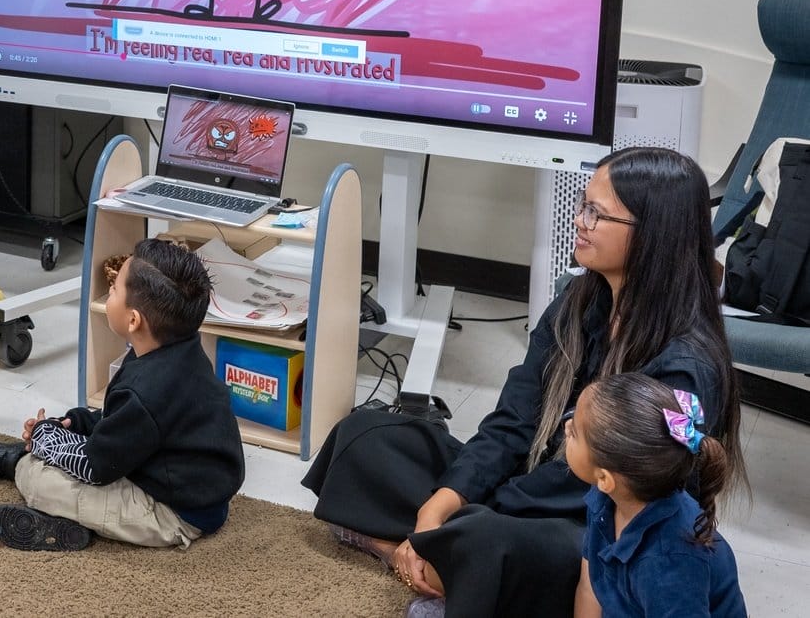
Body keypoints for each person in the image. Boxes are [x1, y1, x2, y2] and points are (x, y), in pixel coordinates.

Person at [302, 146, 743, 618]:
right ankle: (434, 561)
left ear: (655, 235)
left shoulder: (685, 366)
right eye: (584, 205)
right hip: (524, 488)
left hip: (593, 521)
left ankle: (424, 557)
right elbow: (513, 418)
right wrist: (441, 505)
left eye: (598, 214)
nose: (581, 221)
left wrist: (478, 513)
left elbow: (621, 496)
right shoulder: (579, 298)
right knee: (365, 434)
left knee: (489, 537)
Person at [0, 238, 245, 551]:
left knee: (38, 477)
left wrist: (44, 439)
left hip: (172, 515)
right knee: (61, 451)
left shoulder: (146, 389)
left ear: (134, 320)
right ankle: (40, 475)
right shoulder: (179, 351)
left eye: (115, 290)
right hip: (181, 484)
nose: (109, 294)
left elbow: (95, 468)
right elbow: (124, 423)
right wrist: (74, 422)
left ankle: (20, 466)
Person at [569, 372, 747, 618]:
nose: (566, 426)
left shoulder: (668, 563)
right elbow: (590, 589)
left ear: (605, 478)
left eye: (575, 433)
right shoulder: (604, 501)